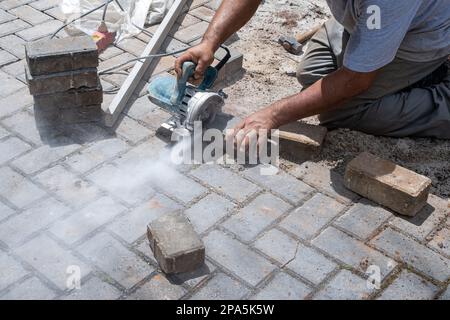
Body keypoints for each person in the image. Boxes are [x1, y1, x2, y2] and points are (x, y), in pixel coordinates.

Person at [175, 0, 450, 147]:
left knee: (339, 111)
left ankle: (441, 99)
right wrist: (209, 42)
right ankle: (365, 37)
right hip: (365, 18)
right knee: (311, 78)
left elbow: (356, 80)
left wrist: (272, 115)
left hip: (415, 42)